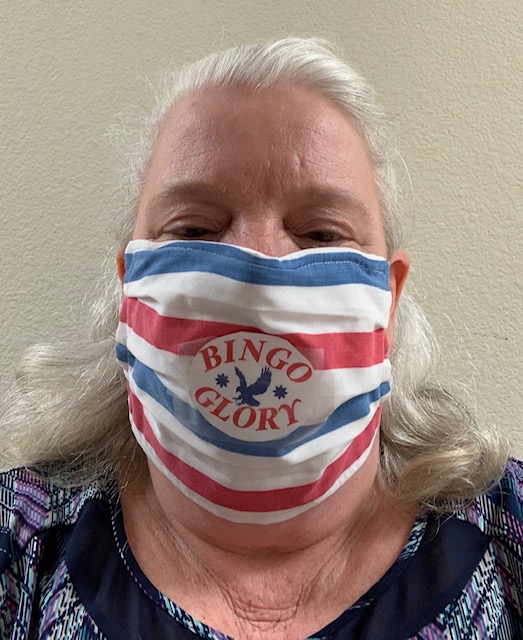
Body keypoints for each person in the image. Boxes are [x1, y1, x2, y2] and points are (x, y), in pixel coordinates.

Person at [0, 38, 521, 640]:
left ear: (389, 299)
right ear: (129, 290)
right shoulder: (23, 539)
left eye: (322, 234)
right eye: (194, 228)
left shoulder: (506, 531)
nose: (258, 264)